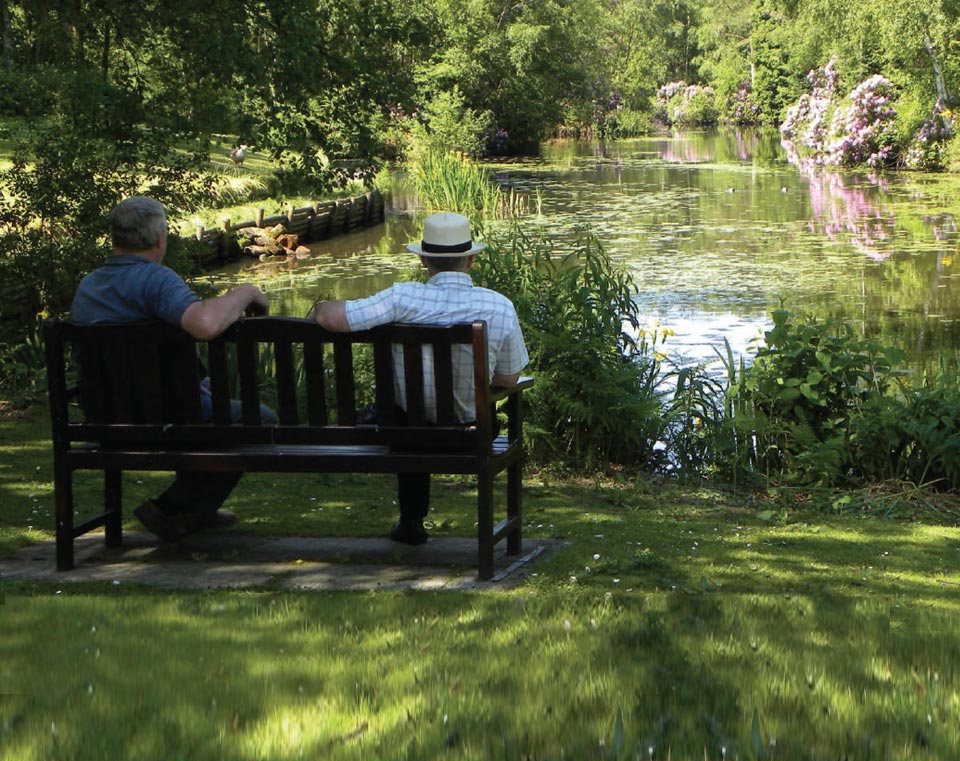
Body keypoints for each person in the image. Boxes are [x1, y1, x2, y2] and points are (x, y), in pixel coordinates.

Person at [309, 211, 529, 544]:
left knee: (410, 418)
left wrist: (318, 308)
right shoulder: (499, 307)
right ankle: (486, 537)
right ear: (470, 260)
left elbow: (336, 319)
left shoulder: (401, 298)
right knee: (436, 418)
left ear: (425, 260)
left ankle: (411, 521)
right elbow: (510, 379)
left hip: (406, 433)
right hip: (470, 434)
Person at [70, 195, 275, 542]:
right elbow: (206, 325)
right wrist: (246, 291)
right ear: (160, 238)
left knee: (201, 393)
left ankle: (193, 508)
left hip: (105, 417)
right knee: (261, 417)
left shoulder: (89, 285)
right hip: (168, 416)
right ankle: (176, 506)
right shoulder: (155, 280)